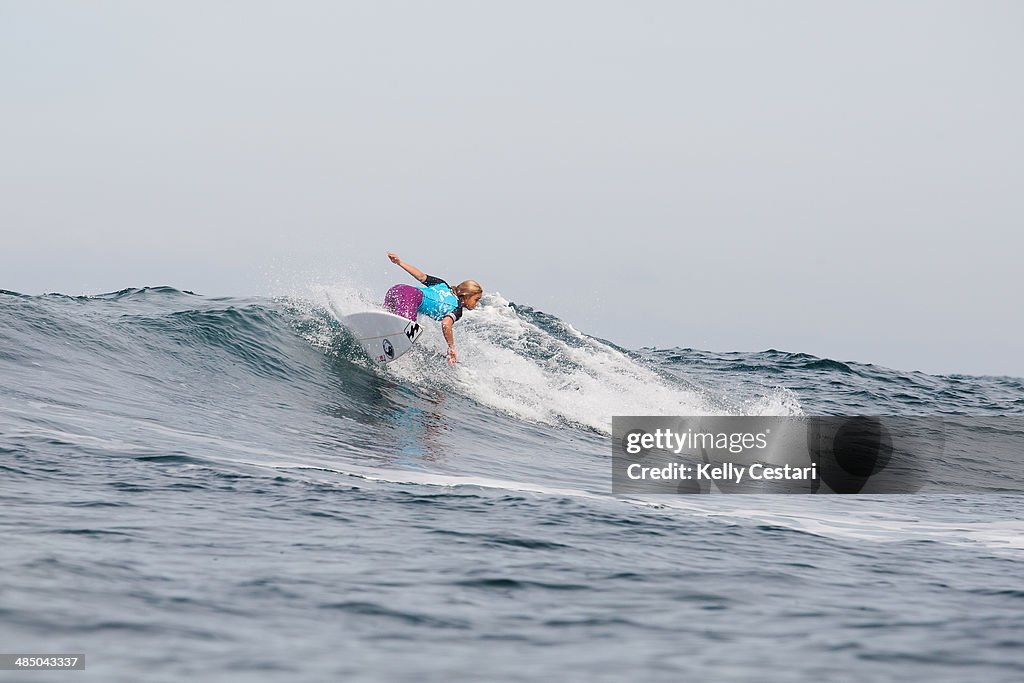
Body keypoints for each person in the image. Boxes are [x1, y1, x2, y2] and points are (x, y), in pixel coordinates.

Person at [383, 252, 482, 365]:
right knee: (406, 336)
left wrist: (399, 262)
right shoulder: (457, 308)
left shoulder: (442, 284)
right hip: (409, 298)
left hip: (397, 289)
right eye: (476, 299)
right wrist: (451, 347)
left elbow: (420, 276)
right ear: (466, 296)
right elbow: (446, 323)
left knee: (387, 324)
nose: (477, 303)